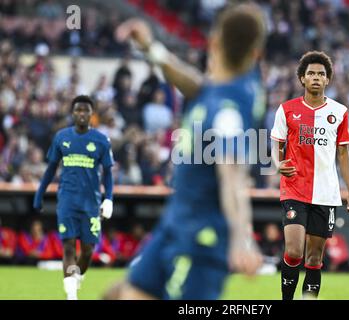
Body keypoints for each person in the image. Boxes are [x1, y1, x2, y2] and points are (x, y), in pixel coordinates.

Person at [106, 3, 267, 300]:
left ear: (214, 42)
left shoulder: (228, 111)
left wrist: (242, 238)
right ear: (256, 54)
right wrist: (151, 49)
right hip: (174, 222)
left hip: (200, 238)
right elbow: (193, 82)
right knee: (119, 294)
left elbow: (232, 175)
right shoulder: (226, 88)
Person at [270, 51, 349, 300]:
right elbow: (276, 146)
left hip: (327, 194)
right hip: (294, 188)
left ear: (328, 80)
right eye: (311, 73)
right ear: (302, 79)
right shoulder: (286, 110)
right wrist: (278, 164)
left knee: (314, 257)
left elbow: (343, 155)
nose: (316, 77)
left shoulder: (339, 112)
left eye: (321, 74)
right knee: (295, 251)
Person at [33, 95, 114, 300]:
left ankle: (75, 278)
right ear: (72, 113)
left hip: (91, 203)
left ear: (91, 114)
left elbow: (109, 173)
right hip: (67, 200)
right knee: (68, 246)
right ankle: (71, 295)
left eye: (85, 110)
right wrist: (39, 194)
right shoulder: (62, 137)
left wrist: (109, 199)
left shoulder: (101, 140)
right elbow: (51, 169)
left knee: (87, 251)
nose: (81, 114)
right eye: (78, 110)